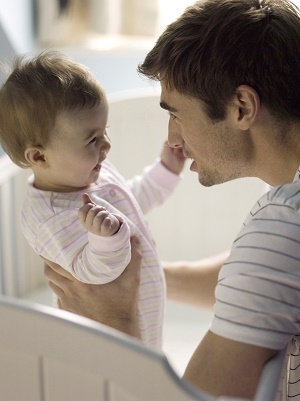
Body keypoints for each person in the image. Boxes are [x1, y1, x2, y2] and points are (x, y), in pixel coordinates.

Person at [43, 0, 300, 399]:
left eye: (176, 113)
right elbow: (262, 281)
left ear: (242, 107)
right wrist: (141, 278)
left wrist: (115, 320)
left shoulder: (285, 222)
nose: (172, 138)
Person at [0, 50, 186, 349]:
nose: (107, 145)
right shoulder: (51, 217)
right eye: (92, 139)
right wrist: (107, 240)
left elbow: (131, 203)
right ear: (39, 156)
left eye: (105, 131)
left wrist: (165, 171)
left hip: (140, 313)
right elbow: (89, 273)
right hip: (107, 329)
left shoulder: (89, 175)